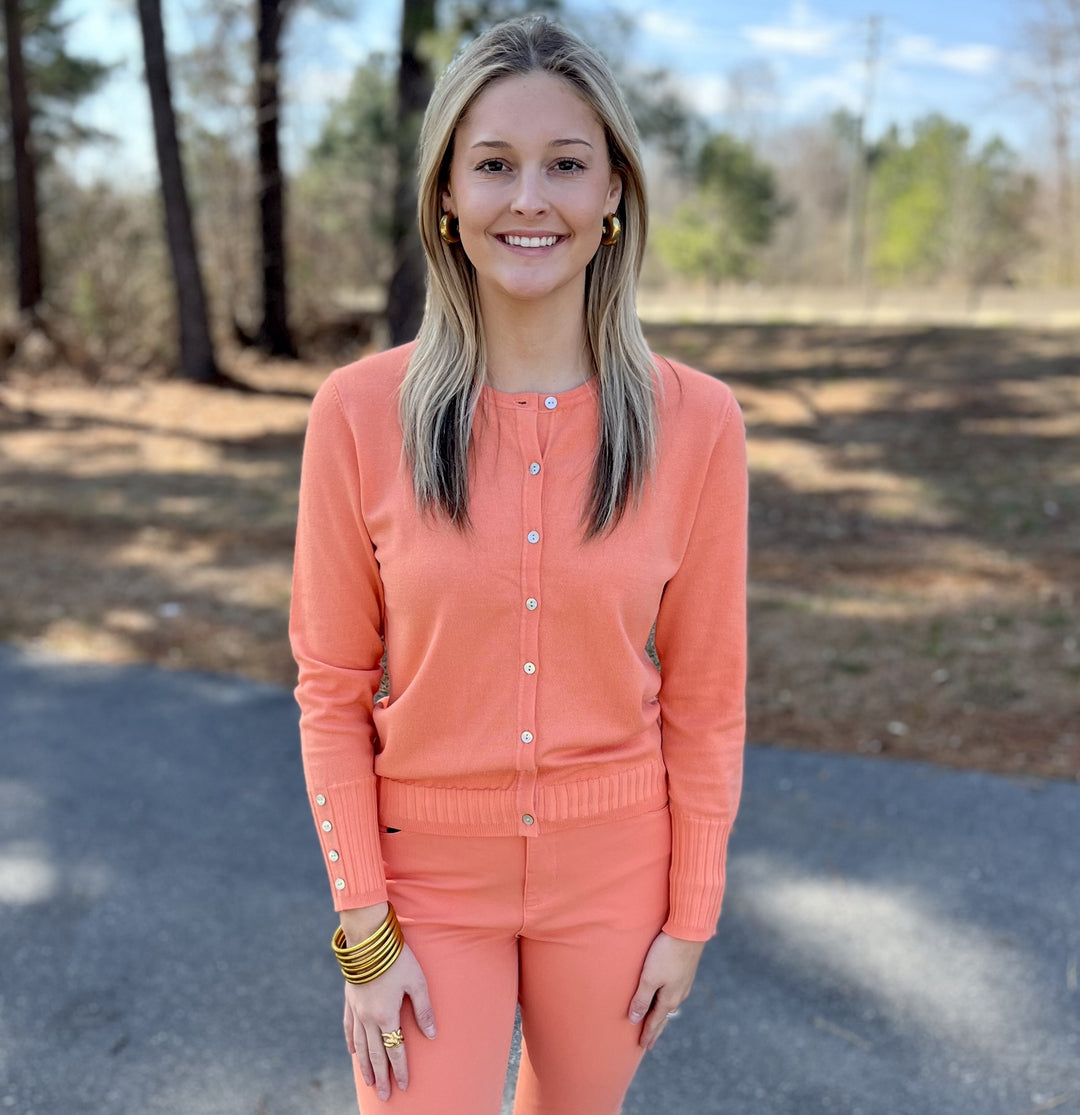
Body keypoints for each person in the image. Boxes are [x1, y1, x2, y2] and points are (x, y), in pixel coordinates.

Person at [289, 14, 747, 1115]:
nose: (529, 198)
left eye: (566, 164)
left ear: (613, 195)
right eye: (493, 164)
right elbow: (332, 688)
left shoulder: (700, 422)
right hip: (422, 884)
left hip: (616, 879)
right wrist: (363, 927)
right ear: (448, 194)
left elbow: (705, 697)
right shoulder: (359, 413)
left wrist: (691, 915)